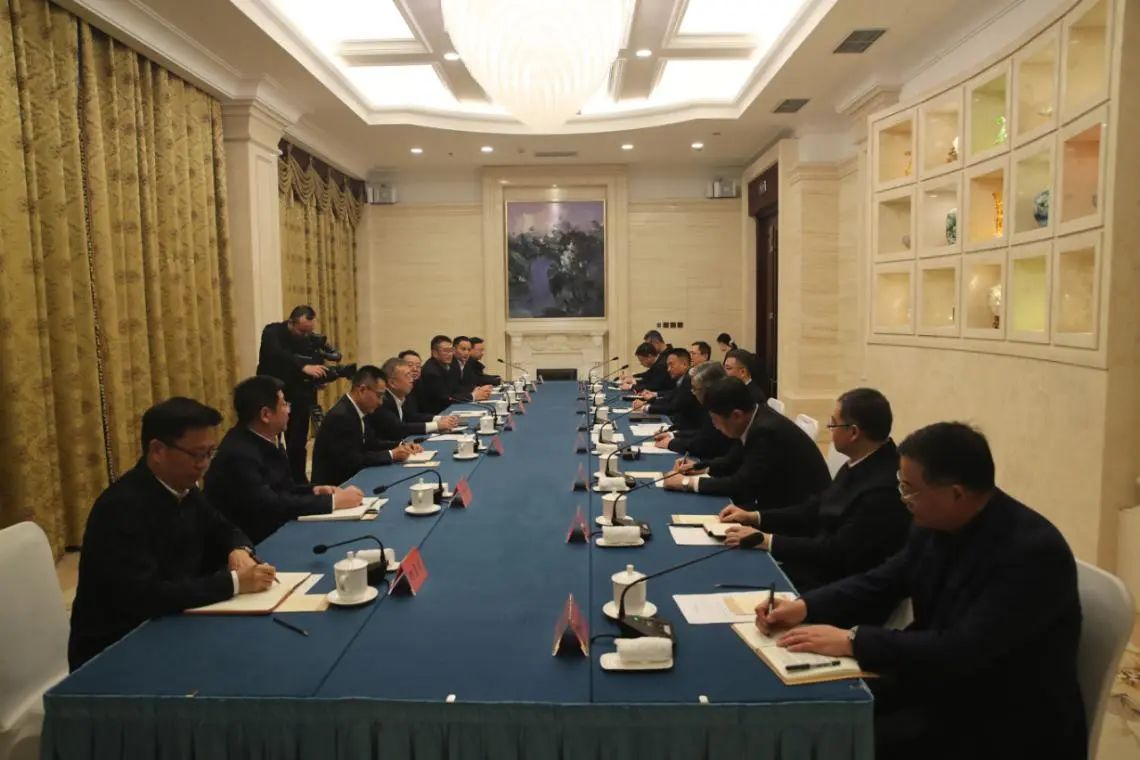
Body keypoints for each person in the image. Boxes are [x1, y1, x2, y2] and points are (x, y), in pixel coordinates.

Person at [755, 422, 1085, 760]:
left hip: (1001, 717)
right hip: (934, 682)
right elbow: (883, 581)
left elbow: (964, 649)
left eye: (910, 489)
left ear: (956, 494)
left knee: (837, 740)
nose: (903, 499)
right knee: (815, 710)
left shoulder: (1031, 553)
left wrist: (853, 640)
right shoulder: (936, 523)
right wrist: (804, 607)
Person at [68, 398, 277, 670]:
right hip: (119, 651)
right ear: (158, 450)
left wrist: (237, 549)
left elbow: (224, 528)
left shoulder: (184, 490)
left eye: (210, 453)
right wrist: (234, 583)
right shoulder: (120, 508)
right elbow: (146, 596)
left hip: (174, 624)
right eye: (197, 455)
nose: (204, 465)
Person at [719, 388, 910, 591]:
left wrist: (768, 541)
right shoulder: (862, 460)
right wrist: (754, 517)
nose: (830, 428)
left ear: (854, 432)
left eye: (833, 423)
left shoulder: (882, 489)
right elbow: (813, 509)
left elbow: (837, 552)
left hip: (837, 584)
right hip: (818, 560)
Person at [204, 376, 365, 544]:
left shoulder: (264, 439)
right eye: (284, 404)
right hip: (252, 544)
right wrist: (332, 502)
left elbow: (282, 488)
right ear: (265, 414)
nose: (288, 410)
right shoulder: (239, 454)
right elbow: (270, 506)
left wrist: (314, 491)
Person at [664, 377, 829, 508]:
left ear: (736, 415)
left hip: (797, 513)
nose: (714, 425)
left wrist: (686, 483)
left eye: (714, 419)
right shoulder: (755, 418)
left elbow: (741, 484)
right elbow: (732, 460)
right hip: (778, 501)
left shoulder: (765, 431)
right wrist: (700, 467)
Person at [310, 365, 417, 486]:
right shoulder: (341, 416)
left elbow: (371, 443)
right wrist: (391, 455)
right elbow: (351, 460)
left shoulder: (357, 410)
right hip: (337, 487)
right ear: (362, 390)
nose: (380, 402)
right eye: (379, 396)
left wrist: (401, 445)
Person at [256, 305, 328, 483]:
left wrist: (319, 378)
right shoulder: (272, 332)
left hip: (300, 394)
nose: (305, 336)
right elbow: (276, 355)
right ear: (291, 322)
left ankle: (299, 480)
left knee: (297, 443)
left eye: (309, 332)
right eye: (302, 331)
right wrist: (303, 367)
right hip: (273, 394)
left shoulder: (308, 338)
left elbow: (314, 361)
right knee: (269, 441)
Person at [655, 361, 734, 460]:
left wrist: (671, 443)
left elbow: (704, 445)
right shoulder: (710, 404)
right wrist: (673, 435)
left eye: (696, 389)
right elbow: (703, 433)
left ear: (709, 388)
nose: (693, 392)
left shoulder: (721, 408)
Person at [369, 357, 461, 439]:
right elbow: (399, 428)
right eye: (407, 375)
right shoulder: (383, 401)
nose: (412, 379)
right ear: (392, 383)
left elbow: (411, 417)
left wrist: (440, 419)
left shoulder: (402, 396)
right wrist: (436, 425)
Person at [419, 335, 491, 415]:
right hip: (435, 414)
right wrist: (473, 396)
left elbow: (454, 388)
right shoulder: (432, 372)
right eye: (446, 351)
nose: (450, 354)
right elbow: (446, 399)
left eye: (451, 350)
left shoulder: (444, 366)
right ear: (435, 353)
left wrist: (473, 391)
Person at [633, 348, 703, 431]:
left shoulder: (690, 382)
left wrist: (646, 407)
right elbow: (671, 396)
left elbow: (673, 407)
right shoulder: (682, 379)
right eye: (668, 366)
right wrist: (649, 401)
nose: (668, 369)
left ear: (684, 364)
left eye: (671, 365)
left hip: (687, 429)